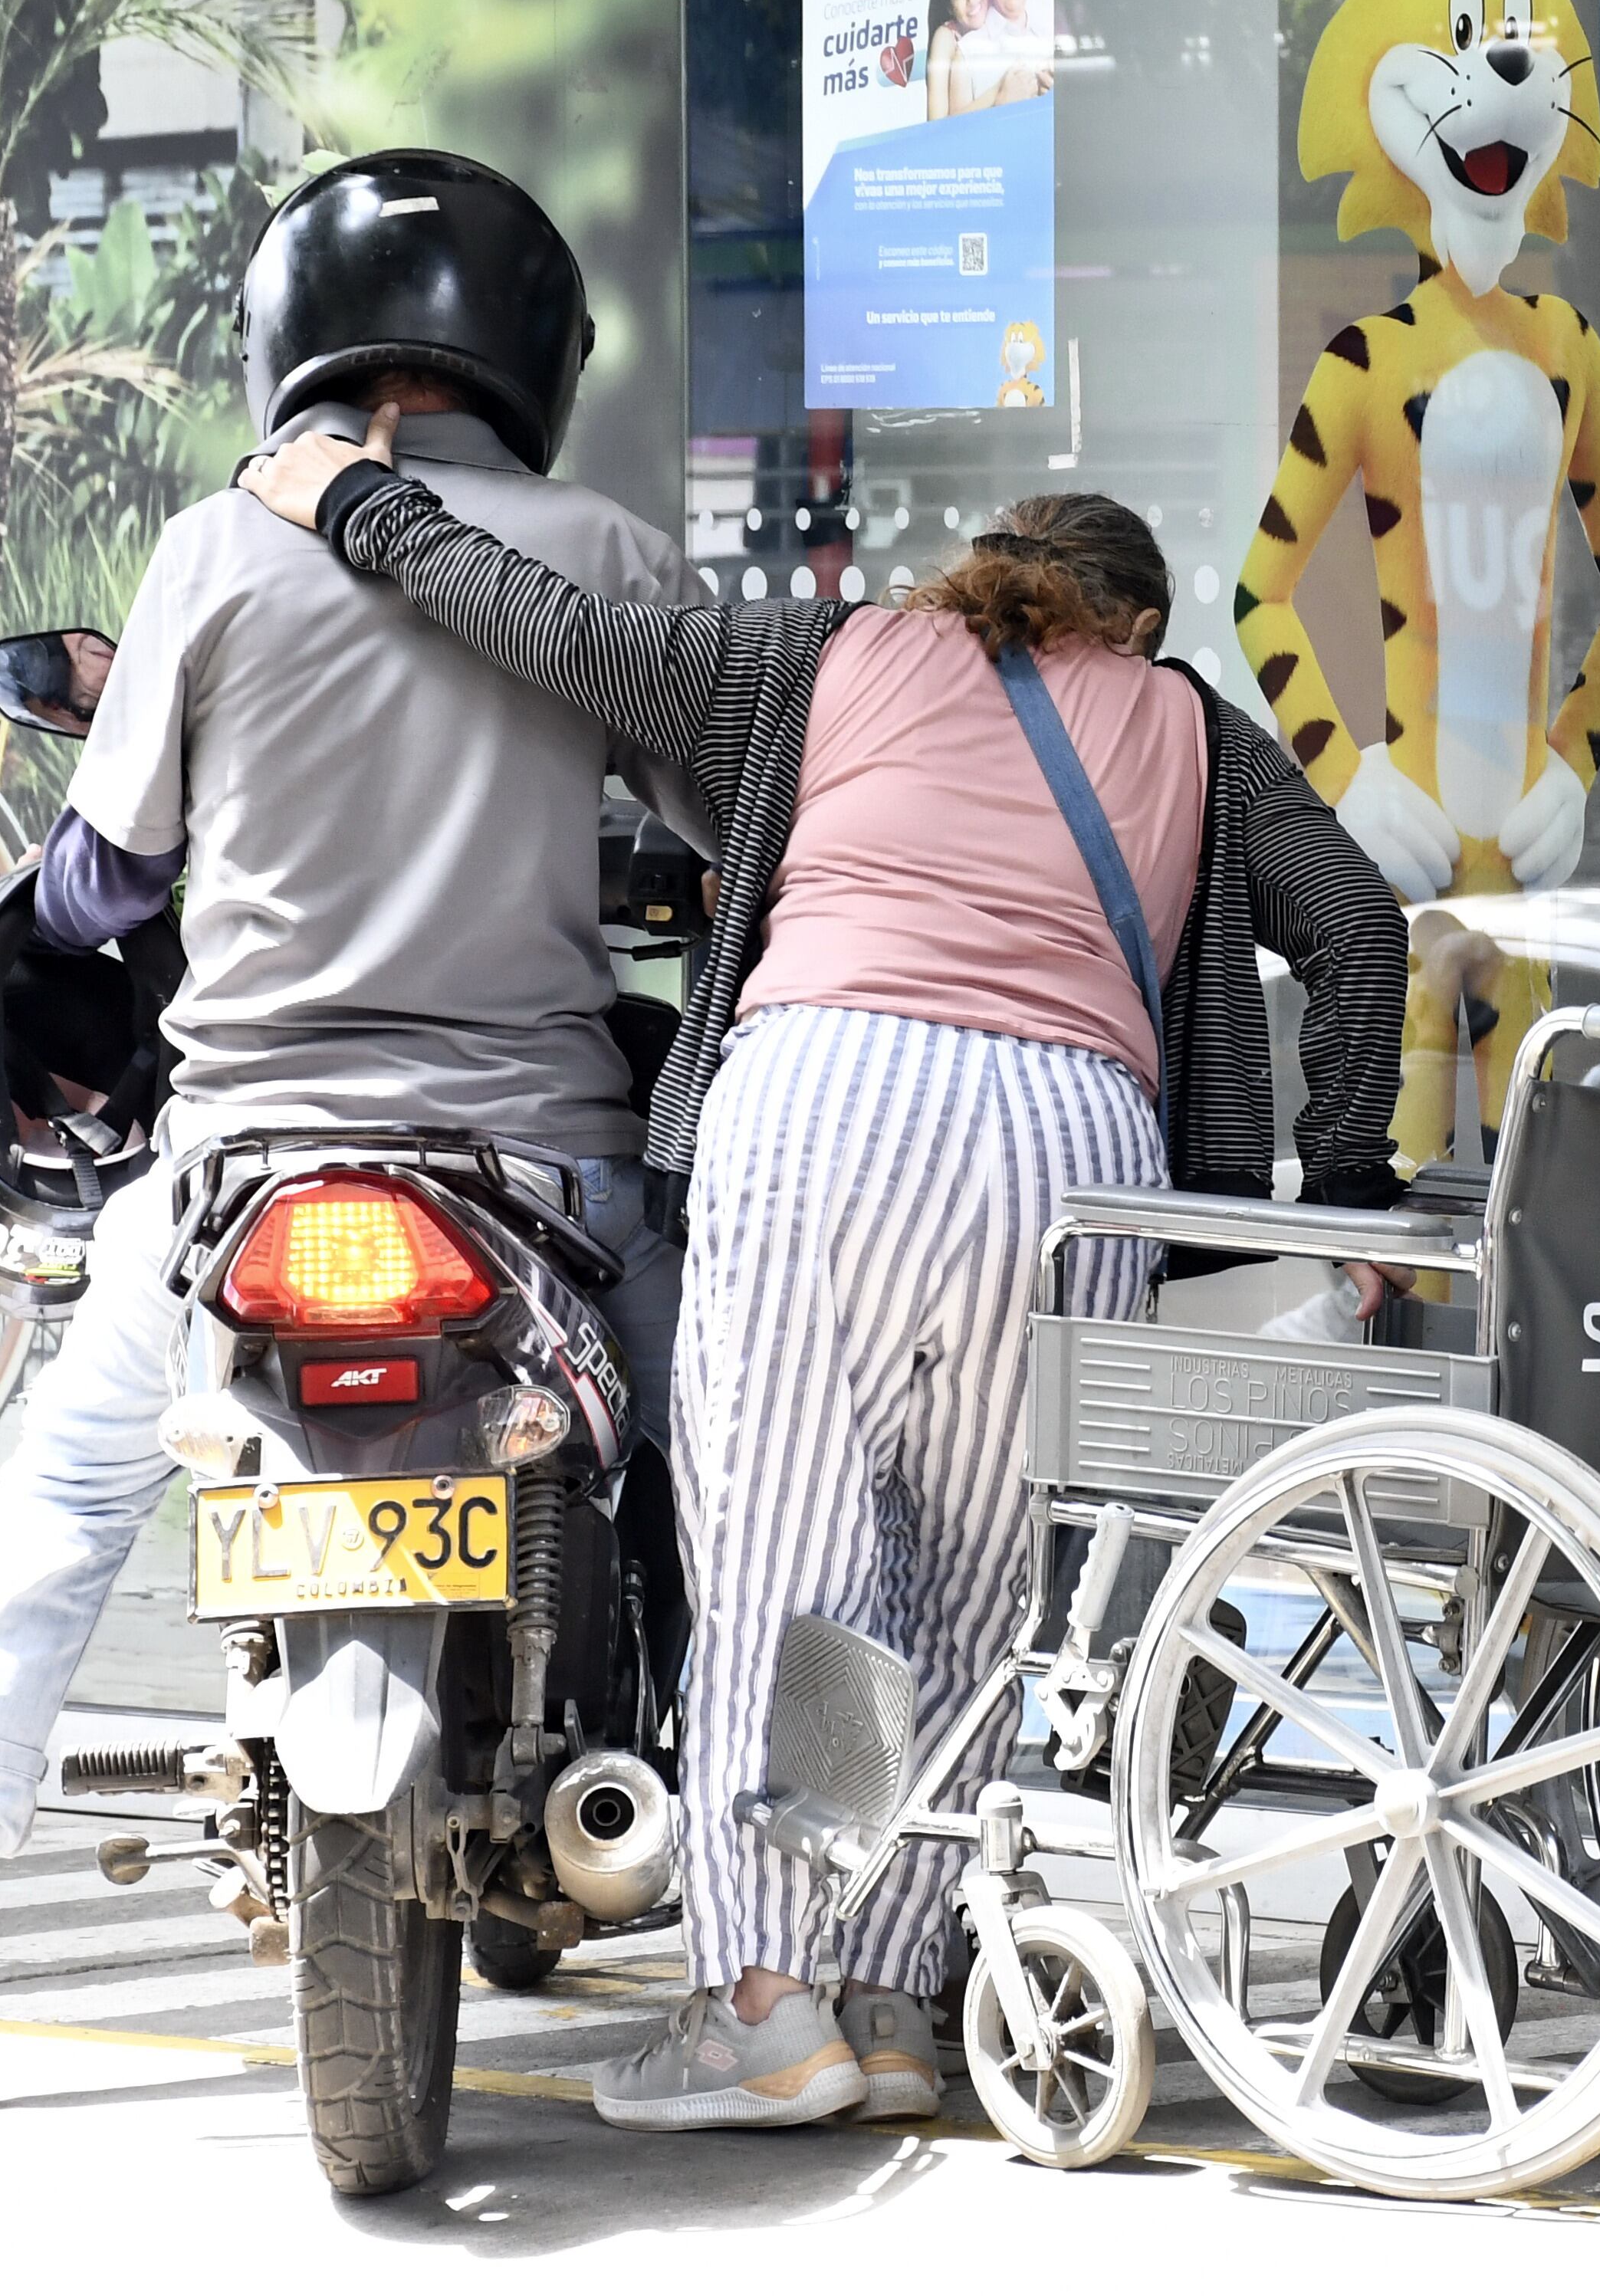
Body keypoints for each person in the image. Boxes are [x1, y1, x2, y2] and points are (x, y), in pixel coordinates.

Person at [229, 431, 1408, 2135]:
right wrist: (1347, 1180)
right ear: (1138, 622)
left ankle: (764, 2006)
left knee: (794, 1562)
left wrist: (355, 502)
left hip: (830, 1099)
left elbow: (551, 627)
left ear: (977, 575)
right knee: (972, 1588)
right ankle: (892, 1999)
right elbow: (1361, 926)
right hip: (1075, 1150)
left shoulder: (824, 651)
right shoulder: (1195, 729)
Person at [0, 151, 701, 2123]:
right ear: (531, 349)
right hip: (542, 1168)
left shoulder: (213, 551)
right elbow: (717, 812)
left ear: (292, 337)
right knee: (728, 1488)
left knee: (59, 1516)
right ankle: (782, 1962)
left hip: (238, 1165)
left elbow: (99, 880)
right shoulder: (604, 547)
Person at [919, 0, 987, 120]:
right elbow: (936, 124)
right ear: (950, 7)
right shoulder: (946, 38)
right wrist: (997, 94)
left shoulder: (1001, 16)